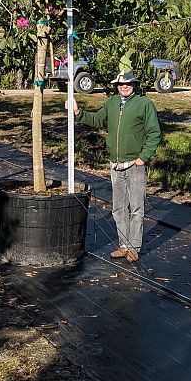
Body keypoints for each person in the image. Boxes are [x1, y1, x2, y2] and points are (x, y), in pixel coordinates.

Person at [71, 69, 160, 263]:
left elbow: (154, 134)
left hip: (135, 165)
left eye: (127, 83)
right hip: (115, 165)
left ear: (134, 84)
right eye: (120, 84)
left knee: (136, 207)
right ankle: (123, 245)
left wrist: (142, 158)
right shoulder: (112, 103)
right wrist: (78, 112)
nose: (124, 86)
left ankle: (134, 247)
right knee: (119, 208)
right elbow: (97, 119)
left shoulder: (144, 104)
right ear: (116, 86)